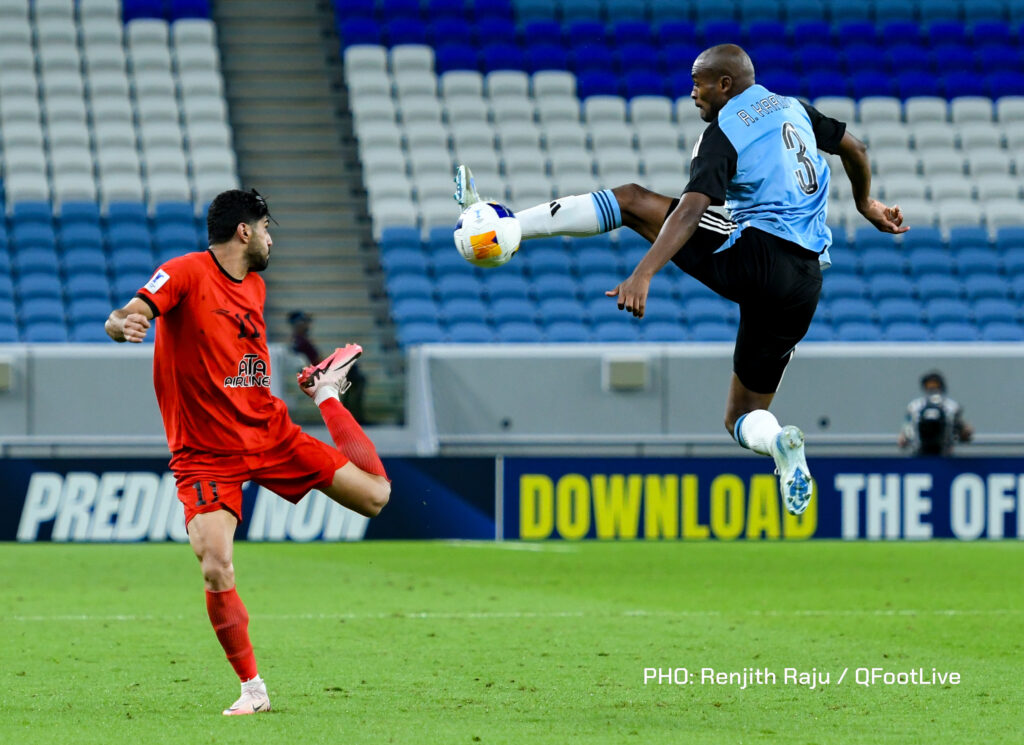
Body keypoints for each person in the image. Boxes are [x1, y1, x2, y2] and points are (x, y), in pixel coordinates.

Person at [455, 43, 909, 516]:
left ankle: (507, 227)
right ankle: (780, 447)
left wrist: (643, 272)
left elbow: (693, 209)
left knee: (632, 200)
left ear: (725, 85)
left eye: (699, 83)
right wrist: (866, 205)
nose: (692, 92)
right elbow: (853, 147)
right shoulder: (793, 107)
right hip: (805, 282)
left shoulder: (725, 129)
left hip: (758, 256)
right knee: (741, 416)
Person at [104, 189, 391, 716]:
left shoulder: (255, 287)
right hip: (207, 452)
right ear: (244, 231)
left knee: (376, 495)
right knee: (216, 564)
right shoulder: (185, 272)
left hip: (270, 433)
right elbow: (133, 309)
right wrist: (124, 323)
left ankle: (325, 393)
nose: (270, 237)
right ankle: (253, 689)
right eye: (266, 227)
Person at [288, 309, 368, 423]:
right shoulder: (301, 342)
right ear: (297, 324)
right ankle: (352, 416)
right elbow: (316, 362)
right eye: (305, 322)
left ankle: (348, 415)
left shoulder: (298, 341)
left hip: (317, 375)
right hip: (317, 377)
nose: (307, 325)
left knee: (353, 375)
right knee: (358, 378)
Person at [898, 371, 973, 456]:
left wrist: (964, 431)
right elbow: (904, 436)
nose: (932, 389)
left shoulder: (952, 407)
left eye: (935, 386)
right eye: (929, 386)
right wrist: (905, 438)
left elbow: (965, 433)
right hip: (919, 454)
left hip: (945, 455)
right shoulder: (914, 407)